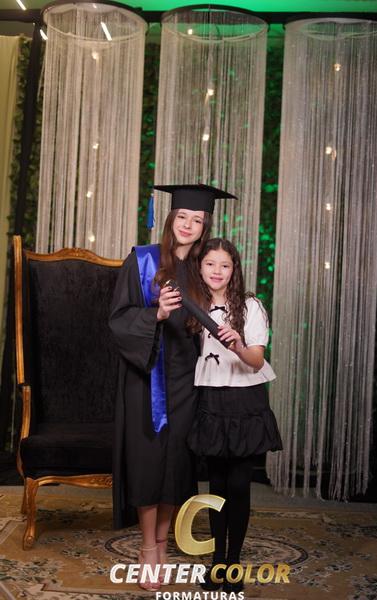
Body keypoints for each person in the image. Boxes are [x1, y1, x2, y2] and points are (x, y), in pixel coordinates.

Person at [109, 185, 236, 591]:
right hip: (147, 379)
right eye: (182, 216)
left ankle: (163, 543)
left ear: (204, 227)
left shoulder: (203, 269)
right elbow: (118, 319)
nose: (188, 225)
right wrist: (157, 314)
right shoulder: (142, 260)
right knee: (148, 464)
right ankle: (148, 548)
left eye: (197, 220)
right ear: (170, 218)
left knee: (174, 468)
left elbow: (221, 314)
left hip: (186, 382)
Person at [187, 237, 283, 594]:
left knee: (239, 486)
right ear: (200, 267)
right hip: (211, 400)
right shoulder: (192, 306)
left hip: (245, 402)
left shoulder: (251, 306)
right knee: (216, 487)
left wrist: (238, 344)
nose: (217, 271)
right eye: (210, 264)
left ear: (234, 270)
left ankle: (233, 563)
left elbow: (256, 360)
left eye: (224, 265)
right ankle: (217, 563)